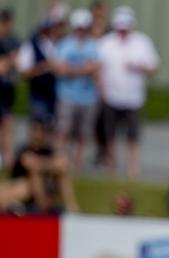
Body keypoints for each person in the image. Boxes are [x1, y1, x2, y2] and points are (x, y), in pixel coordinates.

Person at [98, 6, 159, 179]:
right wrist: (101, 90)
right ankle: (111, 168)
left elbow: (153, 66)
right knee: (110, 134)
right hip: (111, 96)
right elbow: (98, 68)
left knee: (133, 136)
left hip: (133, 98)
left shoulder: (142, 42)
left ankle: (133, 170)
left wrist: (139, 66)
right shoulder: (106, 43)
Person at [52, 8, 100, 171]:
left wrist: (72, 69)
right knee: (63, 130)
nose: (81, 31)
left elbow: (95, 68)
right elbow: (60, 69)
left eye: (84, 27)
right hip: (67, 96)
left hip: (88, 97)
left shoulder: (93, 45)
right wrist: (83, 69)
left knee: (83, 134)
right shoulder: (65, 44)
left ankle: (78, 166)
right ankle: (61, 161)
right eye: (79, 27)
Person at [0, 121, 78, 214]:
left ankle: (71, 208)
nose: (37, 135)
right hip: (25, 187)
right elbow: (28, 162)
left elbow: (62, 163)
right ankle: (37, 206)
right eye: (35, 131)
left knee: (59, 173)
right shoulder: (24, 149)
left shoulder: (48, 150)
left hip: (43, 188)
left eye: (40, 131)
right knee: (22, 184)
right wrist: (48, 165)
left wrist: (40, 164)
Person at [0, 8, 19, 169]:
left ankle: (7, 158)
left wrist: (9, 62)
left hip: (7, 92)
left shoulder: (13, 40)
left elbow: (16, 61)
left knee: (7, 124)